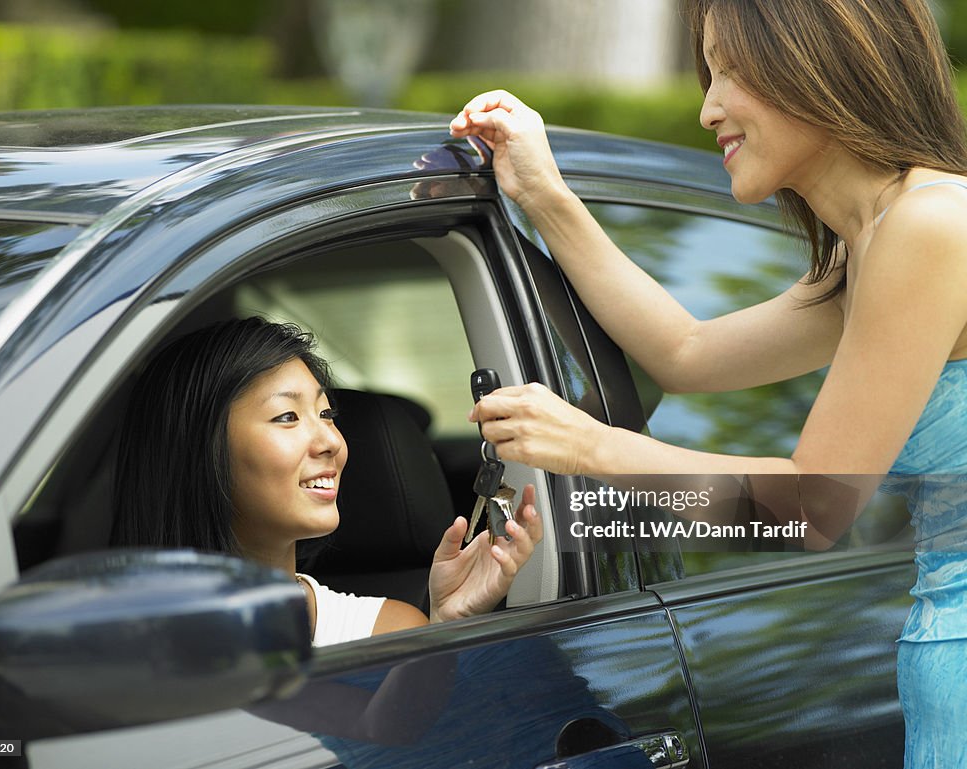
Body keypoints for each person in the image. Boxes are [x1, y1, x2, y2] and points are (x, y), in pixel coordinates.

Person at [450, 0, 967, 764]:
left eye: (730, 71)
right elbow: (684, 352)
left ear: (815, 64)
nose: (706, 108)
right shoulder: (878, 244)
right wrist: (542, 194)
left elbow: (812, 506)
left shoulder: (930, 225)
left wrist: (594, 448)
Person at [110, 316, 541, 646]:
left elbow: (400, 736)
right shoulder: (108, 637)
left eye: (326, 414)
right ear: (198, 452)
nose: (331, 441)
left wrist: (446, 627)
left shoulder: (387, 630)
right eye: (287, 417)